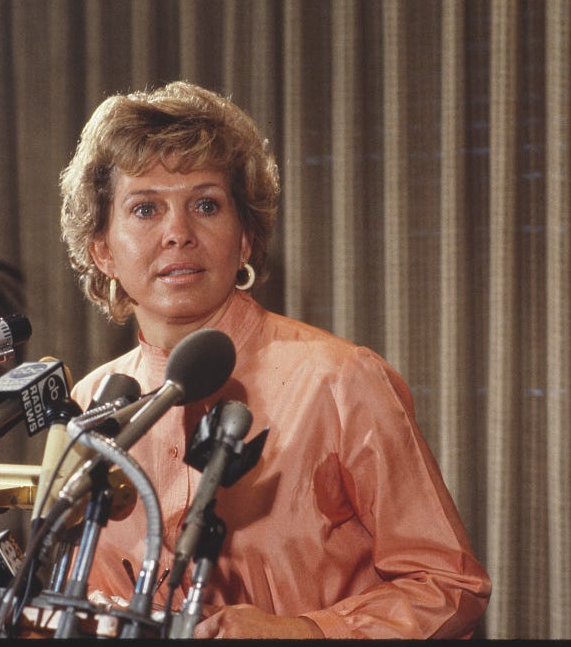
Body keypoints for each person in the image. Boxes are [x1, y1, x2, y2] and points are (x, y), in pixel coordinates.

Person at [56, 80, 491, 639]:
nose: (178, 234)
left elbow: (449, 585)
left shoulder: (340, 381)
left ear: (243, 239)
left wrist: (309, 632)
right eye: (145, 208)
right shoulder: (92, 404)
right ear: (103, 251)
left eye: (206, 205)